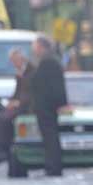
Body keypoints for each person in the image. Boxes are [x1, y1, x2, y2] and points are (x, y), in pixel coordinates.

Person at [0, 48, 34, 166]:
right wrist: (11, 101)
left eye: (15, 60)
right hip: (19, 103)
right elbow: (17, 92)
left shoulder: (31, 71)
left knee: (5, 119)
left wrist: (18, 103)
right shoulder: (19, 72)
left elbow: (31, 92)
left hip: (28, 106)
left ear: (21, 58)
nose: (13, 63)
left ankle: (3, 150)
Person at [30, 35, 67, 176]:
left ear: (42, 47)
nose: (34, 50)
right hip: (44, 105)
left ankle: (54, 167)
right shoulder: (45, 61)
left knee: (51, 137)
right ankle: (51, 165)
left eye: (35, 46)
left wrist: (60, 103)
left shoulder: (49, 62)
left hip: (47, 106)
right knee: (48, 137)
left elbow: (56, 86)